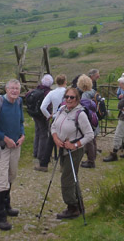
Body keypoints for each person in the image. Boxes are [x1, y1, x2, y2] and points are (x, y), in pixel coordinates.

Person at [0, 79, 25, 231]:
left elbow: (21, 121)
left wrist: (22, 135)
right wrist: (5, 138)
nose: (15, 91)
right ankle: (0, 217)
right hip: (0, 147)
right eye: (12, 88)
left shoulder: (19, 102)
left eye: (17, 88)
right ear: (6, 89)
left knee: (11, 176)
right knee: (1, 180)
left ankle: (7, 205)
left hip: (16, 146)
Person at [50, 87, 94, 219]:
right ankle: (79, 206)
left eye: (72, 97)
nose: (68, 99)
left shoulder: (80, 114)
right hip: (62, 148)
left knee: (66, 179)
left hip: (74, 151)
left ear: (77, 99)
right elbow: (53, 126)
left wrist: (74, 145)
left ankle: (72, 208)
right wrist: (56, 138)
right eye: (67, 97)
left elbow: (90, 135)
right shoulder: (62, 110)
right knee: (72, 178)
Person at [34, 74, 67, 172]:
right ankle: (63, 165)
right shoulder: (68, 92)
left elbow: (42, 107)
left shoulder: (52, 93)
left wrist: (49, 116)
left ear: (56, 82)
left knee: (51, 141)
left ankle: (44, 164)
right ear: (65, 81)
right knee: (64, 141)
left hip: (55, 119)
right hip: (66, 118)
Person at [103, 76, 124, 162]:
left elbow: (120, 105)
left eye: (120, 84)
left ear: (123, 84)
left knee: (118, 134)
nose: (119, 85)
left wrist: (121, 102)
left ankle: (114, 154)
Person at [31, 74, 53, 165]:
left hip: (35, 114)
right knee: (44, 134)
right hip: (43, 115)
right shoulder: (48, 92)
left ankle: (35, 152)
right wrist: (48, 115)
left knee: (37, 132)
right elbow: (47, 105)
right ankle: (41, 154)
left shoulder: (36, 89)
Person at [77, 75, 98, 168]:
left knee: (88, 139)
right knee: (92, 138)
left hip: (88, 117)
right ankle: (93, 155)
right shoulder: (93, 92)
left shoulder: (85, 95)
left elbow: (84, 108)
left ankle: (90, 161)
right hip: (94, 116)